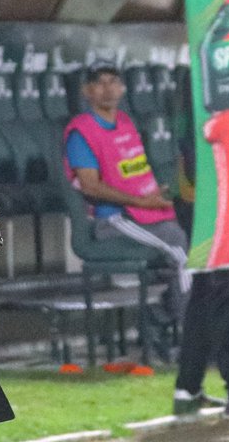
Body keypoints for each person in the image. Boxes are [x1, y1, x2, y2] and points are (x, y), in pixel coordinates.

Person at [63, 61, 191, 318]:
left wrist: (159, 196)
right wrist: (141, 202)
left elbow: (134, 173)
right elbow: (90, 186)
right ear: (87, 91)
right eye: (99, 83)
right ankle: (186, 328)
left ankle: (165, 314)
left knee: (192, 225)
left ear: (122, 89)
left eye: (113, 82)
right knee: (178, 244)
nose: (107, 89)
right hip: (112, 218)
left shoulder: (125, 121)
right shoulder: (82, 131)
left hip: (143, 212)